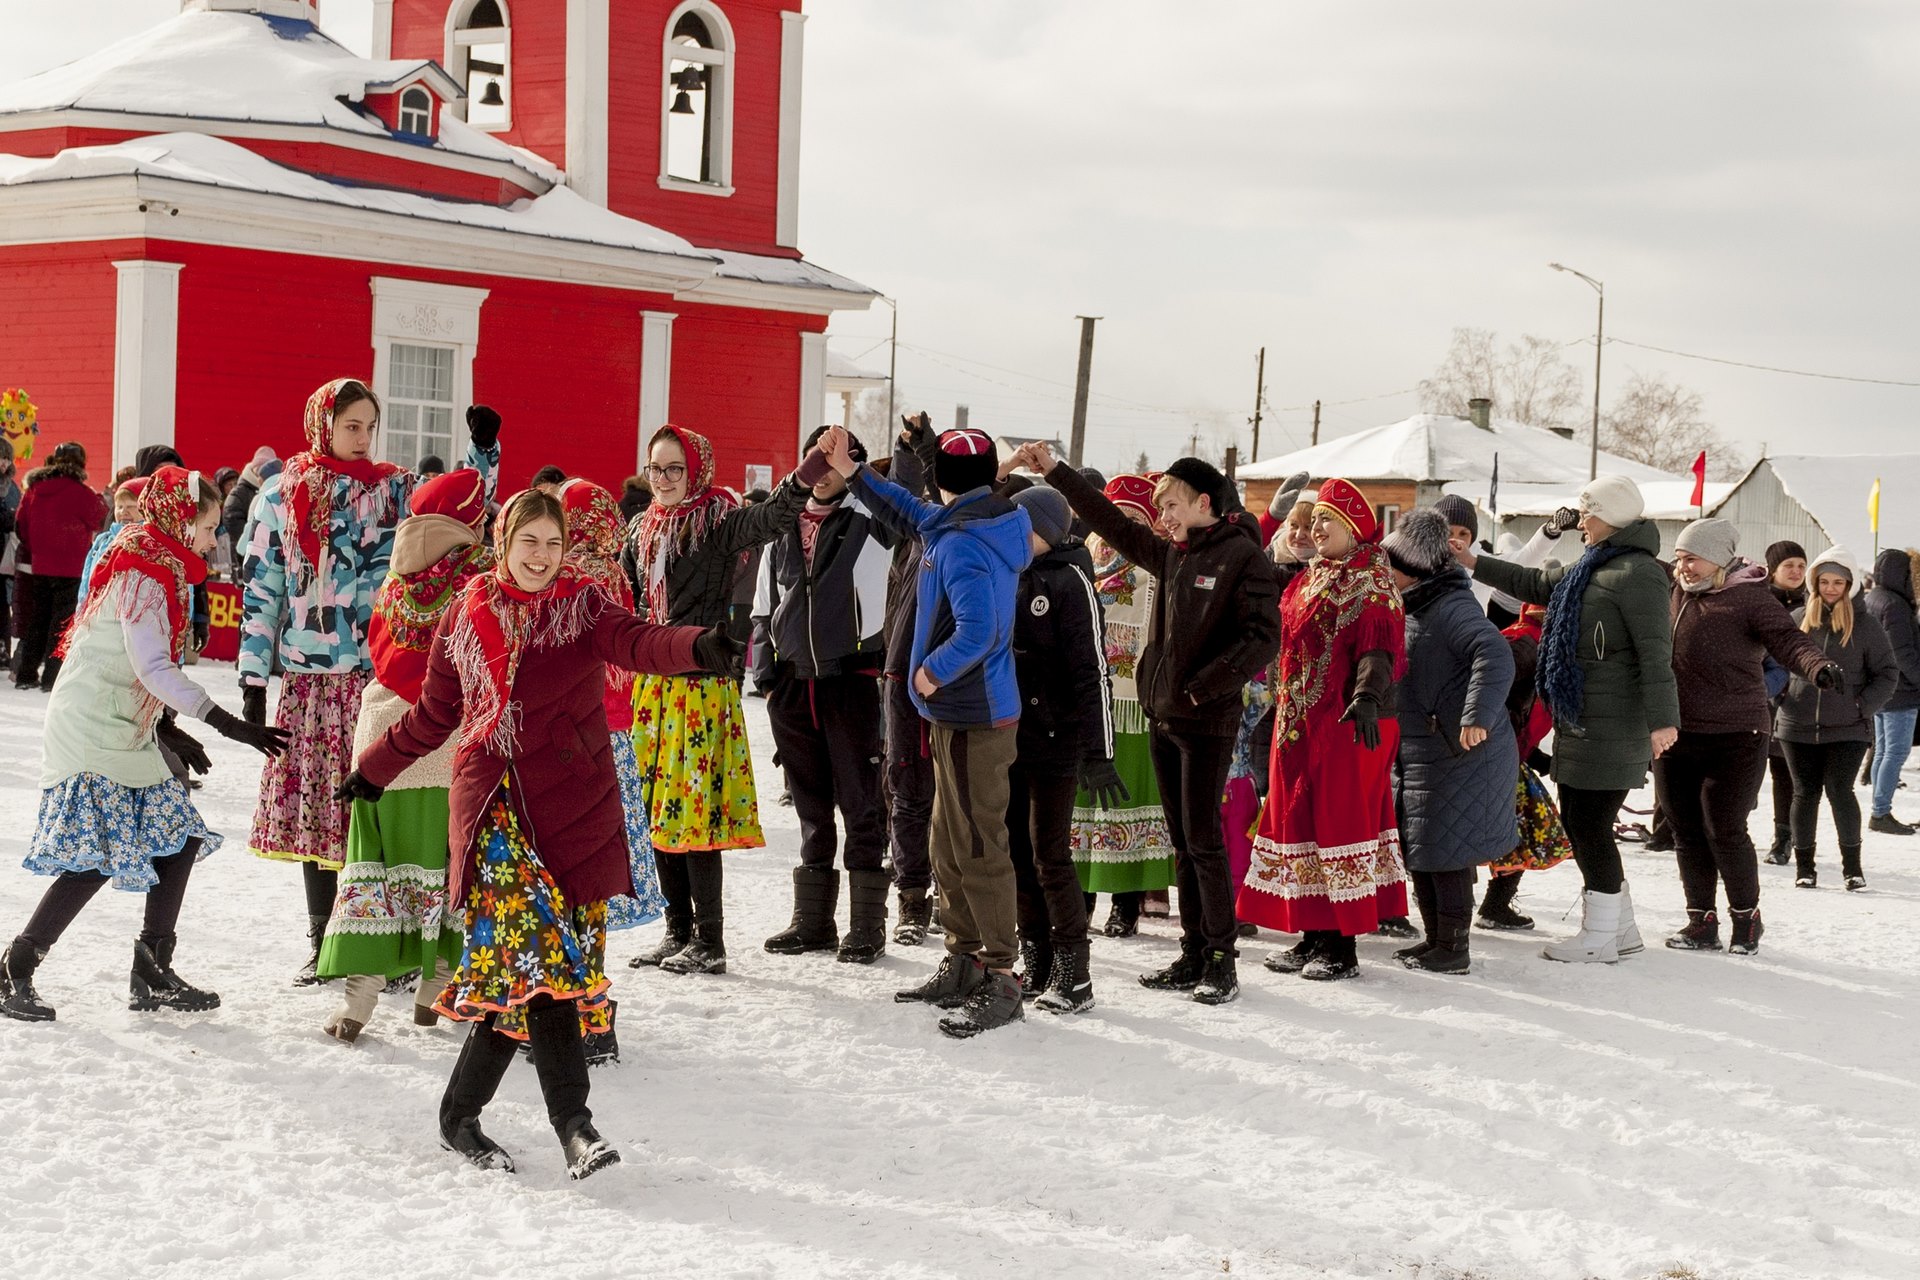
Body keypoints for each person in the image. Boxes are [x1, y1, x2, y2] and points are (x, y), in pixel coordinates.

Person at [338, 488, 737, 1180]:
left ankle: (458, 1115)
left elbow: (638, 641)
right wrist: (374, 769)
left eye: (554, 546)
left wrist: (699, 645)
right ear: (504, 541)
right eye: (530, 543)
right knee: (544, 964)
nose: (542, 558)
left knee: (521, 973)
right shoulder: (467, 613)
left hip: (570, 808)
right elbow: (435, 715)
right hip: (493, 803)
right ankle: (574, 1125)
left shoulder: (582, 605)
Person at [0, 468, 290, 1023]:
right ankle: (16, 965)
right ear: (181, 519)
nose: (212, 539)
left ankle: (151, 969)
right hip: (90, 724)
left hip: (126, 723)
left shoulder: (164, 565)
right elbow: (151, 664)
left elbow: (146, 668)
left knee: (177, 838)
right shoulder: (142, 570)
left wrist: (165, 727)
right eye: (208, 526)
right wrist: (227, 723)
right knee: (98, 853)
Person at [238, 382, 501, 985]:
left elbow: (458, 503)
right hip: (313, 682)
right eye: (350, 426)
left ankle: (403, 944)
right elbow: (261, 591)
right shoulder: (279, 496)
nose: (361, 439)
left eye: (368, 427)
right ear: (323, 424)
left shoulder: (394, 488)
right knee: (319, 813)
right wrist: (255, 681)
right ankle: (324, 942)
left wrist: (482, 450)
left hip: (387, 681)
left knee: (387, 812)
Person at [1037, 445, 1282, 1002]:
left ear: (1203, 502)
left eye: (1170, 505)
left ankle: (1221, 959)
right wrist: (1055, 472)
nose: (1163, 515)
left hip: (1207, 721)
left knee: (1204, 842)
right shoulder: (1174, 553)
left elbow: (1264, 636)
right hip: (1164, 715)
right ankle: (1192, 951)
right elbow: (1106, 519)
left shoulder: (1241, 556)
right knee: (1183, 842)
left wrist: (1204, 686)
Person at [831, 425, 1033, 1036]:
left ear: (942, 477)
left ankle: (1002, 973)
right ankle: (965, 957)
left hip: (975, 712)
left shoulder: (966, 543)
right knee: (949, 841)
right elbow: (910, 507)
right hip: (955, 713)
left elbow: (981, 631)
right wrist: (856, 473)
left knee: (978, 847)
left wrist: (927, 675)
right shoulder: (960, 522)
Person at [621, 425, 830, 975]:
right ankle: (676, 930)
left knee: (692, 816)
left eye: (674, 470)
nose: (663, 481)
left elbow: (774, 517)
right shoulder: (640, 529)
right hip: (653, 685)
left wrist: (809, 467)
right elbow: (625, 600)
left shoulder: (717, 523)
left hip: (699, 686)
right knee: (656, 812)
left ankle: (709, 940)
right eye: (656, 469)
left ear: (697, 472)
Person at [1460, 476, 1677, 964]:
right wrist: (1473, 562)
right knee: (1586, 824)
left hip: (1613, 722)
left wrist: (1664, 722)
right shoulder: (1591, 567)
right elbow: (1535, 583)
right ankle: (1620, 929)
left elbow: (1656, 653)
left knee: (1588, 826)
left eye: (1588, 511)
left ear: (1611, 516)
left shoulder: (1639, 572)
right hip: (1584, 720)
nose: (1581, 521)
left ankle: (1599, 936)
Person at [316, 469, 496, 1045]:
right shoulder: (477, 581)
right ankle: (433, 991)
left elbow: (377, 650)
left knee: (374, 870)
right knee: (449, 871)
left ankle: (358, 1001)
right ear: (470, 518)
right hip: (443, 742)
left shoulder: (395, 575)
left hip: (380, 743)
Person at [1241, 478, 1405, 981]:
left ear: (1355, 527)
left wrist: (1367, 696)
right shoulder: (1308, 577)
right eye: (1314, 520)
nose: (1316, 527)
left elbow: (1379, 648)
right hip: (1298, 721)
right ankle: (1312, 934)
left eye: (1327, 519)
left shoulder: (1371, 582)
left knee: (1339, 822)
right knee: (1302, 823)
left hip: (1349, 722)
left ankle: (1341, 947)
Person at [751, 427, 899, 964]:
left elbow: (905, 490)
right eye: (819, 457)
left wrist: (900, 455)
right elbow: (765, 604)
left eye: (840, 458)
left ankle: (866, 925)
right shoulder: (782, 520)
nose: (828, 467)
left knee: (861, 801)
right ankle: (812, 922)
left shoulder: (873, 520)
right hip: (793, 681)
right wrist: (767, 679)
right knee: (811, 804)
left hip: (852, 677)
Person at [1658, 518, 1839, 956]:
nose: (1684, 567)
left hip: (1737, 733)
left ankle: (1746, 918)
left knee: (1724, 828)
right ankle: (1700, 921)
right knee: (1685, 829)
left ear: (1718, 558)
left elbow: (1788, 640)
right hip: (1678, 732)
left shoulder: (1749, 600)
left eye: (1692, 559)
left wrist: (1816, 667)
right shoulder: (1676, 592)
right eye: (1680, 559)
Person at [1379, 510, 1517, 973]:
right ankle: (1435, 939)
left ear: (1415, 568)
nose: (1385, 573)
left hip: (1458, 749)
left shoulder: (1451, 606)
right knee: (1423, 847)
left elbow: (1494, 652)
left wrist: (1477, 715)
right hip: (1424, 746)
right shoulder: (1415, 604)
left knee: (1447, 851)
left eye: (1391, 565)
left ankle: (1454, 947)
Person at [1003, 485, 1115, 1013]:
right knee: (1018, 854)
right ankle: (1039, 959)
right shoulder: (1012, 576)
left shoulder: (1071, 581)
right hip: (1014, 738)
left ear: (1047, 531)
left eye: (1023, 527)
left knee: (1050, 854)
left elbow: (1093, 671)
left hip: (1058, 738)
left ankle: (1075, 973)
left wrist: (1099, 750)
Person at [559, 479, 669, 976]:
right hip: (615, 732)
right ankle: (592, 977)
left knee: (568, 849)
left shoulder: (571, 578)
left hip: (574, 731)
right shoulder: (615, 574)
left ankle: (569, 976)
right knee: (600, 852)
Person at [1068, 473, 1177, 938]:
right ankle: (1082, 899)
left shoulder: (1156, 572)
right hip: (1087, 705)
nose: (1122, 528)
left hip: (1134, 706)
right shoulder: (1081, 564)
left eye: (1134, 520)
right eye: (1117, 517)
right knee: (1083, 804)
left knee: (1127, 799)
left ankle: (1127, 902)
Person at [1774, 546, 1895, 893]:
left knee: (1840, 791)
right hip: (1796, 725)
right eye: (1824, 581)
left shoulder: (1866, 624)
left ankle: (1852, 869)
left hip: (1847, 727)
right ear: (1814, 582)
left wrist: (1861, 706)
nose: (1830, 588)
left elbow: (1887, 673)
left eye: (1838, 582)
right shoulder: (1798, 619)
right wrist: (1782, 697)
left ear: (1850, 585)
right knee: (1804, 793)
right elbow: (1772, 663)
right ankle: (1805, 868)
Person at [876, 415, 942, 945]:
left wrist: (930, 452)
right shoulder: (916, 533)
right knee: (907, 790)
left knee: (952, 795)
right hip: (901, 675)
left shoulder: (969, 536)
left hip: (953, 680)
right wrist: (910, 450)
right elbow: (900, 499)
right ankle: (912, 898)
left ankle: (949, 892)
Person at [1476, 602, 1573, 929]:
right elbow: (1491, 701)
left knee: (1517, 829)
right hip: (1494, 757)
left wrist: (1534, 756)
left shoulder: (1538, 644)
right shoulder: (1525, 646)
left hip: (1508, 754)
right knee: (1520, 829)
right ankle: (1484, 906)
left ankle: (1491, 905)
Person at [12, 440, 105, 691]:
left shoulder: (34, 490)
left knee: (37, 620)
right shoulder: (82, 493)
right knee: (61, 625)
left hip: (41, 567)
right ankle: (52, 678)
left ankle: (26, 674)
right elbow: (99, 517)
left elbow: (21, 525)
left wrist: (39, 549)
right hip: (71, 569)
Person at [1863, 548, 1920, 835]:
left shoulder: (1874, 597)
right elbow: (1901, 652)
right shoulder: (1895, 604)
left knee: (1884, 751)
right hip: (1901, 689)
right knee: (1895, 753)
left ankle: (1878, 806)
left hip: (1882, 687)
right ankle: (1880, 812)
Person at [1760, 540, 1810, 864]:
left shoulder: (1813, 603)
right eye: (1788, 565)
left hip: (1792, 704)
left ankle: (1784, 839)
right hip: (1757, 696)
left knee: (1785, 773)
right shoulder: (1758, 601)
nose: (1795, 572)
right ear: (1773, 569)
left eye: (1801, 566)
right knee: (1744, 774)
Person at [78, 476, 149, 599]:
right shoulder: (103, 541)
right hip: (99, 612)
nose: (123, 512)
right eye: (119, 507)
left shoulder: (151, 543)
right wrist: (82, 609)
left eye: (131, 506)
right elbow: (86, 581)